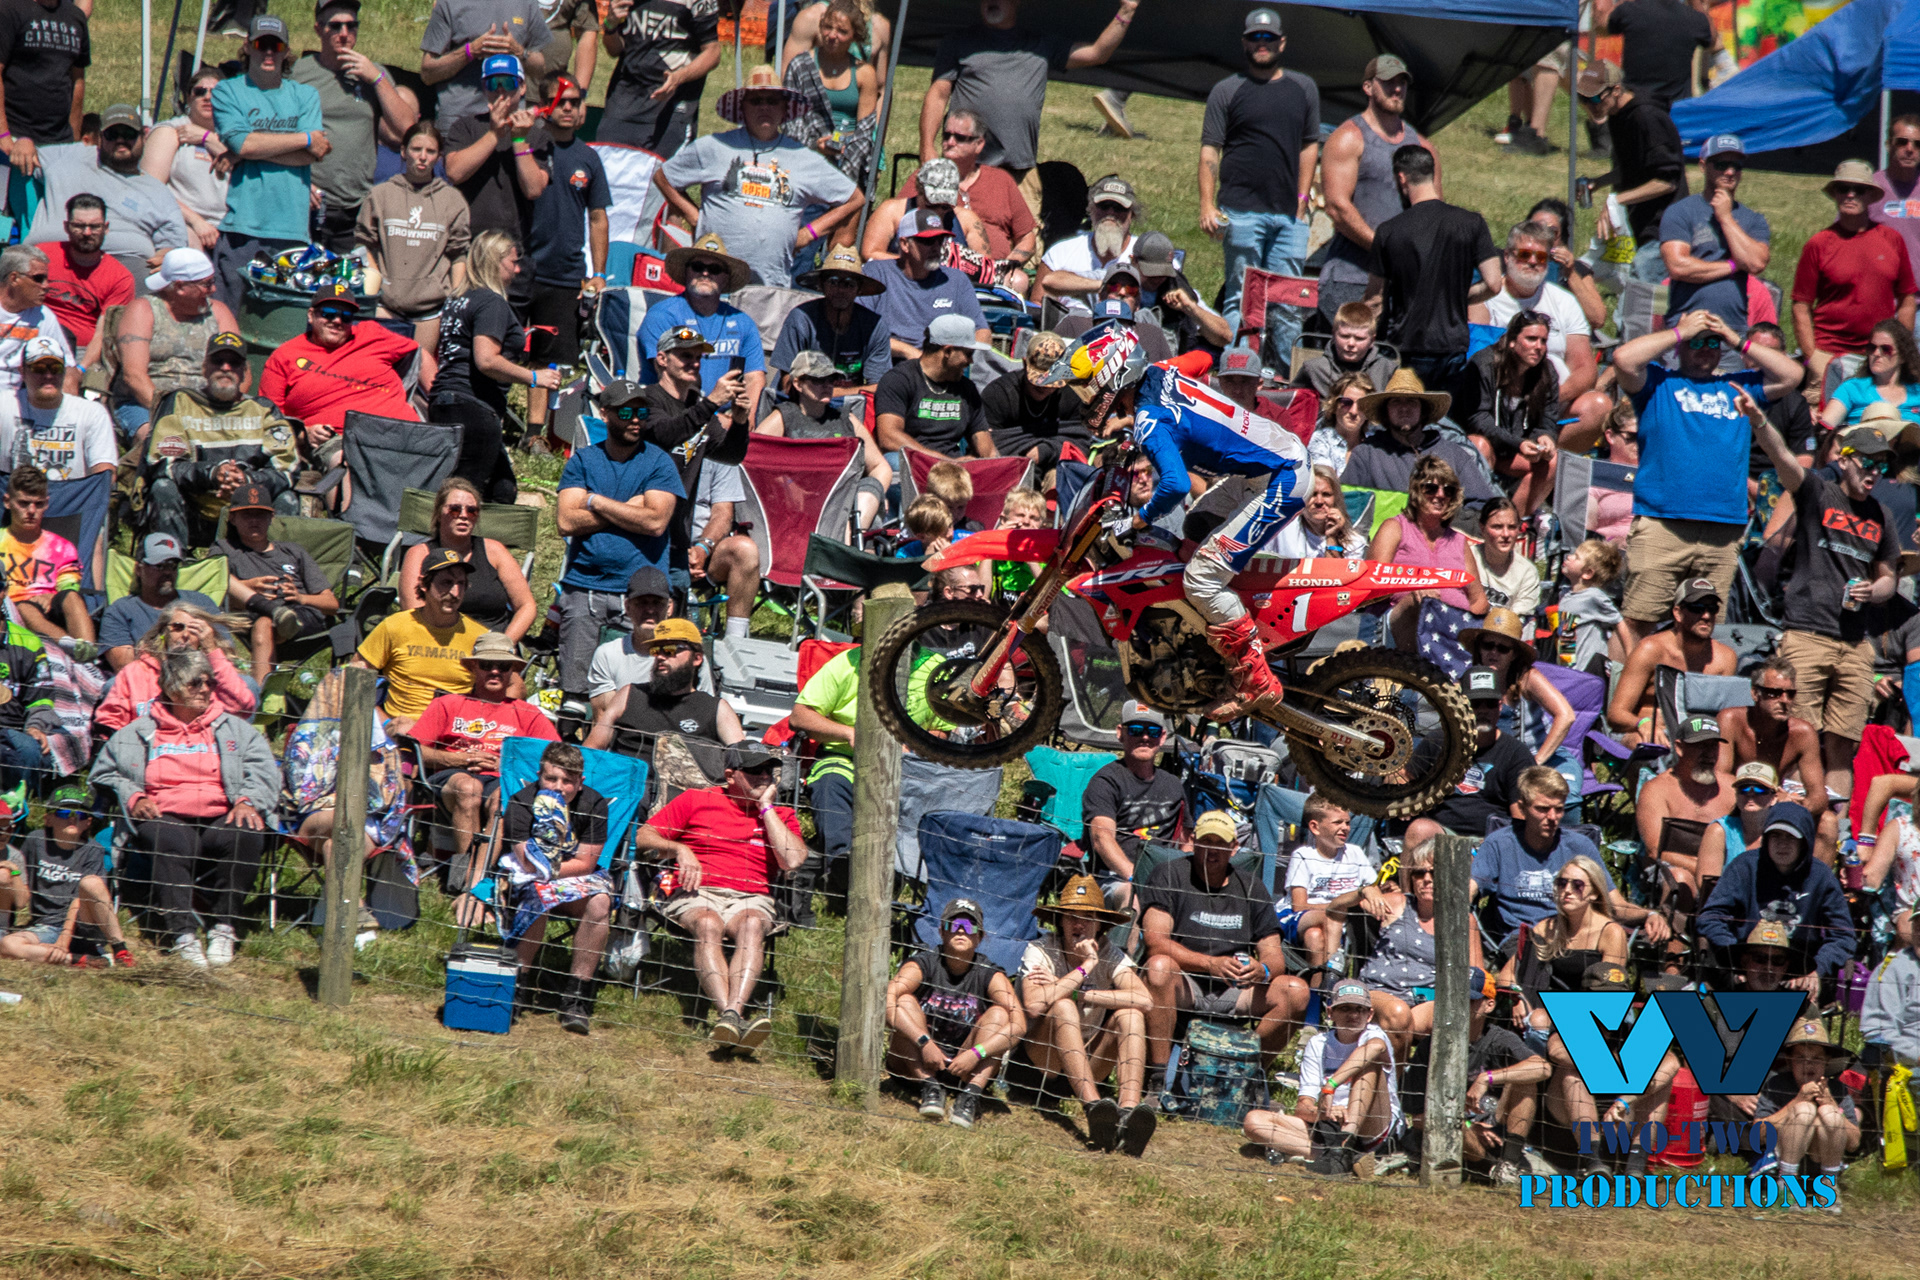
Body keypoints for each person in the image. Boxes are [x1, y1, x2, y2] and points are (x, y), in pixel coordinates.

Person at [1610, 309, 1803, 651]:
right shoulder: (1657, 383)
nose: (1705, 349)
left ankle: (1693, 687)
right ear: (1681, 347)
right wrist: (1679, 332)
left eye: (1712, 343)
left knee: (1706, 627)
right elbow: (1623, 359)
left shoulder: (1739, 386)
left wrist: (1735, 338)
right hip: (1662, 524)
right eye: (1696, 342)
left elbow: (1792, 374)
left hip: (1722, 532)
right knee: (1639, 622)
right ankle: (1620, 687)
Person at [90, 648, 280, 968]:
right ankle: (184, 935)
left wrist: (248, 800)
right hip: (164, 815)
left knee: (245, 833)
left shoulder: (235, 729)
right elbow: (103, 773)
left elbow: (265, 772)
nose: (205, 689)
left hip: (222, 814)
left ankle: (224, 927)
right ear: (172, 688)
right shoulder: (139, 731)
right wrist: (134, 796)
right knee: (170, 839)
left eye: (209, 682)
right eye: (195, 683)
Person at [1747, 407, 1899, 806]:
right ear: (1844, 460)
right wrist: (1759, 421)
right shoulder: (1818, 492)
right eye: (1867, 462)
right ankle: (1792, 816)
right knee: (1800, 733)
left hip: (1854, 643)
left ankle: (1835, 826)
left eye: (1881, 466)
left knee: (1842, 744)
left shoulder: (1881, 515)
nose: (1873, 472)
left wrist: (1874, 590)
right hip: (1807, 634)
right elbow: (1782, 457)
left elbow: (1888, 578)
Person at [639, 743, 808, 1049]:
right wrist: (680, 848)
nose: (764, 776)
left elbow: (793, 860)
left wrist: (766, 809)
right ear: (731, 775)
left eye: (769, 770)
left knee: (752, 925)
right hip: (697, 891)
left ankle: (731, 1016)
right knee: (708, 924)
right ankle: (730, 1017)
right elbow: (643, 836)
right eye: (754, 770)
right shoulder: (696, 799)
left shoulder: (781, 815)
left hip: (751, 897)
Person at [654, 64, 863, 289]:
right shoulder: (713, 147)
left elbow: (854, 198)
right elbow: (664, 177)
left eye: (772, 101)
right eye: (756, 101)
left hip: (770, 284)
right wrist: (694, 216)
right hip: (712, 276)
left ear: (784, 108)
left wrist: (808, 234)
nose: (764, 107)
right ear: (742, 107)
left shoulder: (804, 158)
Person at [1138, 810, 1309, 1085]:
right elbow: (1155, 941)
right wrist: (1210, 964)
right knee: (1158, 967)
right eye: (1206, 841)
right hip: (1185, 983)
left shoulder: (1251, 887)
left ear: (1234, 847)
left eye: (1220, 843)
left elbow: (1273, 954)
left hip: (1235, 987)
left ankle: (1246, 1074)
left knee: (1296, 992)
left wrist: (1262, 970)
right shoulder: (1169, 874)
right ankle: (1158, 1078)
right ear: (1194, 841)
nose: (1212, 850)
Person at [917, 0, 1136, 213]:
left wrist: (1127, 10)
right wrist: (927, 146)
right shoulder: (959, 43)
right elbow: (938, 95)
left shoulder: (1041, 45)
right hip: (964, 168)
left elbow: (1097, 53)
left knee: (1024, 236)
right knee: (955, 231)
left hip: (1020, 174)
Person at [553, 374, 685, 706]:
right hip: (585, 586)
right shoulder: (584, 460)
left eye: (642, 413)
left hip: (644, 593)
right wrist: (629, 508)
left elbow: (655, 522)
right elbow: (566, 521)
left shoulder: (659, 462)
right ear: (605, 414)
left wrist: (596, 501)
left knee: (643, 694)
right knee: (574, 696)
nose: (635, 420)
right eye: (626, 413)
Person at [1198, 7, 1319, 366]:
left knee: (1288, 302)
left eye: (1268, 37)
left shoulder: (1304, 88)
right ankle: (1237, 370)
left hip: (1289, 217)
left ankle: (1287, 377)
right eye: (1255, 37)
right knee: (1240, 298)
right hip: (1240, 212)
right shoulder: (1227, 90)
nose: (1261, 43)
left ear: (1282, 42)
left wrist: (1302, 199)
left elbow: (1310, 145)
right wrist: (1206, 204)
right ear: (1245, 43)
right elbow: (1210, 149)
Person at [410, 632, 557, 916]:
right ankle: (467, 881)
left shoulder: (528, 713)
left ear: (512, 672)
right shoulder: (448, 704)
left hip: (502, 779)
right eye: (487, 664)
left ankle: (474, 886)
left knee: (504, 799)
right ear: (473, 667)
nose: (495, 671)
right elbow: (416, 749)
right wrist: (459, 759)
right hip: (452, 775)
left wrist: (506, 765)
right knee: (468, 788)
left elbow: (555, 758)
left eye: (503, 666)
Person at [1019, 874, 1155, 1155]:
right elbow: (1033, 1005)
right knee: (1063, 1007)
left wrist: (1078, 993)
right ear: (1060, 921)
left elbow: (1144, 1000)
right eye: (1071, 917)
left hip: (1089, 1060)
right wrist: (1086, 967)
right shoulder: (1040, 949)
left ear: (1100, 924)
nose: (1078, 924)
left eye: (1088, 917)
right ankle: (1093, 1108)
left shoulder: (1109, 952)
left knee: (1131, 1015)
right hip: (1044, 1064)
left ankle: (1128, 1115)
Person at [1469, 764, 1664, 957]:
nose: (1552, 817)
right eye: (1543, 809)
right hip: (1522, 939)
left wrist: (1650, 914)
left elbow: (1615, 905)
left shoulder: (1579, 846)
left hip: (1572, 937)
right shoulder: (1499, 844)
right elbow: (1470, 890)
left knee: (1613, 939)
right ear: (1522, 808)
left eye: (1559, 809)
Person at [628, 330, 758, 619]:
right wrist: (711, 402)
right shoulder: (646, 399)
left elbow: (730, 455)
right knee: (640, 619)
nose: (695, 363)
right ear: (662, 359)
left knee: (673, 627)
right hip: (640, 533)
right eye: (685, 356)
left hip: (678, 537)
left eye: (698, 357)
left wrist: (739, 421)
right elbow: (664, 434)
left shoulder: (696, 407)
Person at [137, 331, 301, 547]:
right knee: (162, 487)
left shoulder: (265, 410)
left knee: (287, 498)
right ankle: (169, 562)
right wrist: (213, 474)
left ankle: (274, 563)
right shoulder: (180, 403)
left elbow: (287, 470)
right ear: (204, 368)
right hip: (193, 513)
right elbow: (163, 465)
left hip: (249, 511)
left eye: (234, 363)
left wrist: (247, 481)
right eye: (218, 361)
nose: (225, 368)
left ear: (245, 371)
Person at [491, 742, 612, 1034]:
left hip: (571, 876)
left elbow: (586, 863)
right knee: (539, 896)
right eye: (551, 778)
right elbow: (526, 861)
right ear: (539, 776)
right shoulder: (522, 802)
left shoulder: (593, 803)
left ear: (580, 782)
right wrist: (546, 872)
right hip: (529, 878)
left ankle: (576, 997)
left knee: (600, 902)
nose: (558, 787)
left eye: (568, 781)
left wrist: (549, 870)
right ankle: (517, 987)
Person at [209, 16, 327, 314]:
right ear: (248, 46)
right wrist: (302, 138)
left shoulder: (305, 95)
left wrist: (246, 151)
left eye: (277, 46)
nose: (269, 52)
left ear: (287, 51)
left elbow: (314, 153)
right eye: (262, 44)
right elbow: (244, 144)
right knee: (230, 319)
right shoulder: (227, 91)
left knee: (282, 326)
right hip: (244, 229)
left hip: (294, 232)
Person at [1362, 144, 1501, 395]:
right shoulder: (1472, 222)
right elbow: (1493, 283)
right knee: (1445, 415)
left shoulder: (1389, 230)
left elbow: (1375, 299)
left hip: (1406, 346)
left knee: (1407, 414)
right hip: (1453, 346)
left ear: (1401, 178)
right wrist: (1459, 297)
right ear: (1432, 174)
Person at [433, 230, 558, 503]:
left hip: (444, 402)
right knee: (466, 493)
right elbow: (487, 360)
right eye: (513, 262)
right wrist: (534, 377)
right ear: (494, 261)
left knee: (502, 489)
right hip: (473, 407)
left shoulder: (456, 300)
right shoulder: (492, 303)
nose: (518, 269)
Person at [292, 0, 420, 252]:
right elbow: (279, 131)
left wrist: (377, 79)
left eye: (351, 26)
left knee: (352, 277)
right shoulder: (299, 73)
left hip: (358, 205)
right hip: (310, 200)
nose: (344, 33)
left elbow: (407, 128)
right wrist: (298, 182)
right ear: (318, 29)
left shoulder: (374, 73)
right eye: (335, 26)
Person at [886, 896, 1023, 1128]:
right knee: (904, 1000)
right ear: (942, 931)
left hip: (965, 1066)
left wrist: (976, 1054)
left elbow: (1019, 1024)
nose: (961, 931)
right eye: (954, 924)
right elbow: (887, 998)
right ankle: (929, 1086)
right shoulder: (924, 963)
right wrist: (924, 1042)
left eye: (969, 926)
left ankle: (970, 1095)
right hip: (916, 1062)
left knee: (1001, 1015)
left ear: (979, 937)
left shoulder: (989, 973)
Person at [1241, 980, 1399, 1176]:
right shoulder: (1318, 1043)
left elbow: (1375, 1047)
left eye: (1360, 1009)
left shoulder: (1374, 1035)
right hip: (1329, 1125)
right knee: (1254, 1121)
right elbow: (1302, 1107)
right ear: (1330, 1013)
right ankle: (1341, 1157)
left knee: (1368, 1063)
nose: (1353, 1015)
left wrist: (1330, 1086)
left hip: (1372, 1124)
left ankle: (1344, 1146)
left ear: (1370, 1015)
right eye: (1345, 1009)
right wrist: (1325, 1113)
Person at [1318, 54, 1432, 324]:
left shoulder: (1422, 146)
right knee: (1346, 351)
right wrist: (1386, 249)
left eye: (1402, 83)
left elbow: (1432, 211)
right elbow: (1337, 208)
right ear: (1368, 87)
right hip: (1351, 278)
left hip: (1404, 283)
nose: (1397, 89)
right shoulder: (1348, 138)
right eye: (1388, 82)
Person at [1697, 802, 1854, 991]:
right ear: (1766, 838)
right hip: (1748, 958)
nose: (1782, 844)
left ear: (1804, 841)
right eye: (1775, 836)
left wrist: (1816, 969)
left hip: (1798, 964)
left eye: (1790, 837)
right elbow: (1710, 918)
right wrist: (1736, 958)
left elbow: (1843, 935)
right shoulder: (1744, 867)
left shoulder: (1822, 877)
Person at [28, 107, 190, 288]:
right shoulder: (68, 156)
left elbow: (174, 239)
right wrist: (23, 142)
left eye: (128, 134)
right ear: (100, 138)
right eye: (112, 135)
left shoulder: (157, 190)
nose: (120, 140)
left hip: (126, 261)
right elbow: (22, 153)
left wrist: (168, 252)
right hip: (55, 251)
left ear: (144, 136)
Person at [1791, 162, 1917, 393]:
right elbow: (1801, 306)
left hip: (1879, 356)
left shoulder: (1892, 240)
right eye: (1843, 188)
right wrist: (1812, 357)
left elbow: (1907, 298)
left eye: (1858, 190)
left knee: (1880, 414)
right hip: (1829, 354)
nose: (1850, 195)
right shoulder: (1819, 244)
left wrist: (1898, 346)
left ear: (1870, 196)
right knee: (1822, 415)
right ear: (1835, 194)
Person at [524, 76, 608, 420]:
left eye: (575, 101)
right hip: (520, 267)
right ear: (544, 106)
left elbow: (598, 218)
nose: (569, 108)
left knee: (548, 361)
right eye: (561, 101)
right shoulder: (526, 147)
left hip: (564, 273)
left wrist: (599, 273)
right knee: (502, 348)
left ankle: (536, 432)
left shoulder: (588, 158)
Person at [258, 282, 420, 460]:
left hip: (403, 430)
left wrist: (434, 398)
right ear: (311, 315)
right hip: (340, 440)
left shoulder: (371, 334)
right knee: (350, 463)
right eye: (329, 313)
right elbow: (269, 423)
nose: (337, 321)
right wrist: (305, 433)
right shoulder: (284, 356)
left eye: (346, 316)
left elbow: (419, 352)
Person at [1476, 219, 1604, 444]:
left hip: (1554, 406)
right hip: (1501, 407)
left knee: (1598, 407)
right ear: (1507, 256)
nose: (1533, 262)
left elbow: (1584, 369)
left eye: (1541, 257)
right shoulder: (1487, 298)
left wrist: (1549, 399)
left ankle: (1548, 454)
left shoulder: (1564, 301)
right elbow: (1479, 361)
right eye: (1525, 255)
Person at [356, 120, 470, 365]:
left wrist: (455, 300)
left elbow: (459, 253)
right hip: (386, 305)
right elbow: (363, 245)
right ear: (403, 151)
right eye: (416, 149)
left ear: (439, 157)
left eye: (430, 151)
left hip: (430, 310)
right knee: (378, 369)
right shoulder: (381, 194)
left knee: (419, 371)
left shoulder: (452, 200)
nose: (422, 157)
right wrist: (376, 283)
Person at [1356, 839, 1485, 1054]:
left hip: (1424, 1001)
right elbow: (1338, 908)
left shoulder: (1463, 920)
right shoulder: (1397, 903)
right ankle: (1395, 1074)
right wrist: (1366, 891)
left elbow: (1477, 976)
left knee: (1450, 1013)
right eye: (1418, 873)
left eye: (1434, 873)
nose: (1426, 879)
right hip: (1378, 994)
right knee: (1398, 1014)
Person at [442, 55, 548, 308]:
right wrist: (494, 134)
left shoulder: (537, 136)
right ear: (484, 88)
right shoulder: (466, 127)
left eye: (508, 83)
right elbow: (454, 172)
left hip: (512, 253)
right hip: (469, 249)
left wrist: (519, 139)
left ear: (522, 87)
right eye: (493, 83)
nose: (500, 91)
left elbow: (534, 189)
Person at [103, 247, 235, 441]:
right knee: (162, 440)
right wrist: (177, 417)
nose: (213, 290)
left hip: (208, 405)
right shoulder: (143, 310)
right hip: (145, 404)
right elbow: (134, 376)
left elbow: (241, 371)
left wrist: (218, 408)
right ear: (180, 287)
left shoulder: (219, 313)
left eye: (212, 281)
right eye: (206, 284)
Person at [213, 483, 341, 682]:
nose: (254, 520)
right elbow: (213, 590)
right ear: (232, 518)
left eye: (260, 515)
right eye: (247, 515)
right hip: (251, 614)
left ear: (271, 517)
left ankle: (262, 694)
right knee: (265, 622)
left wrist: (300, 597)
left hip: (302, 616)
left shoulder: (292, 551)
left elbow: (332, 604)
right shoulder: (224, 550)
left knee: (267, 623)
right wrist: (249, 586)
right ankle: (278, 620)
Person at [353, 547, 488, 735]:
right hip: (400, 732)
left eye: (461, 584)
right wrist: (385, 723)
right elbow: (353, 677)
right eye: (446, 583)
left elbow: (514, 686)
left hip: (454, 733)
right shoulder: (395, 626)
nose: (455, 592)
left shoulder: (479, 636)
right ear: (424, 584)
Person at [0, 784, 137, 969]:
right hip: (46, 926)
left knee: (92, 883)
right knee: (8, 945)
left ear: (88, 822)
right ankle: (80, 960)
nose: (73, 818)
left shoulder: (93, 849)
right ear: (48, 819)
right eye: (64, 813)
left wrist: (64, 940)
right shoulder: (35, 841)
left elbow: (78, 900)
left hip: (83, 922)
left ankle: (120, 950)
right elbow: (23, 891)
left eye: (80, 814)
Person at [1575, 62, 1687, 284]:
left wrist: (1616, 201)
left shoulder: (1647, 117)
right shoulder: (1617, 115)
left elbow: (1667, 181)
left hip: (1665, 228)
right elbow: (1633, 168)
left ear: (1616, 90)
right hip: (1643, 225)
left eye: (1595, 98)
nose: (1590, 105)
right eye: (1583, 99)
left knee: (1644, 293)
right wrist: (1598, 182)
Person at [902, 108, 1037, 290]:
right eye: (946, 136)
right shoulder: (924, 178)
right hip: (936, 265)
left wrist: (1008, 264)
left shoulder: (1001, 181)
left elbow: (1027, 237)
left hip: (991, 271)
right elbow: (902, 218)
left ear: (979, 144)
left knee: (1018, 280)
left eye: (960, 138)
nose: (950, 142)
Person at [756, 349, 890, 529]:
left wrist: (875, 492)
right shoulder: (784, 417)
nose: (827, 385)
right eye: (818, 380)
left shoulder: (846, 419)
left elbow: (880, 466)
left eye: (831, 380)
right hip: (799, 504)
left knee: (871, 494)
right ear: (798, 383)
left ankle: (846, 541)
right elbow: (753, 461)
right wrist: (786, 484)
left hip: (843, 503)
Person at [1366, 455, 1490, 650]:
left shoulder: (1458, 541)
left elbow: (1478, 600)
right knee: (1420, 600)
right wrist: (1415, 590)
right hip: (1398, 626)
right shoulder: (1395, 528)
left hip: (1451, 634)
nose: (1440, 495)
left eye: (1448, 490)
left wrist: (1462, 625)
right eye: (1431, 488)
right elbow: (1371, 586)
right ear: (1416, 491)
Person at [1403, 668, 1536, 849]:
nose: (1483, 711)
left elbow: (1521, 818)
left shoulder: (1516, 754)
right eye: (1476, 704)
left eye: (1490, 704)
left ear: (1499, 706)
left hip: (1491, 842)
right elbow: (1403, 778)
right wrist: (1404, 794)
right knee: (1418, 829)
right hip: (1439, 837)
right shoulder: (1438, 741)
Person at [396, 477, 537, 644]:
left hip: (492, 647)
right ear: (439, 514)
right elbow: (414, 613)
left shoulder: (494, 551)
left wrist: (503, 644)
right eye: (455, 509)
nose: (463, 515)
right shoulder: (419, 554)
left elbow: (527, 606)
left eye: (472, 511)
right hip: (437, 645)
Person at [1607, 579, 1740, 747]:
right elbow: (1616, 714)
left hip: (1699, 739)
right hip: (1650, 734)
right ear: (1677, 613)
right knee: (1645, 743)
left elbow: (1727, 716)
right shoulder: (1650, 650)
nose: (1706, 616)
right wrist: (1643, 723)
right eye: (1697, 608)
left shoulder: (1725, 658)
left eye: (1712, 609)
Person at [1659, 135, 1771, 333]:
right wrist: (1734, 265)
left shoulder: (1753, 220)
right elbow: (1678, 266)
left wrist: (1726, 218)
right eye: (1721, 164)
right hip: (1686, 326)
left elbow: (1756, 263)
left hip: (1733, 329)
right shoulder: (1681, 212)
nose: (1730, 172)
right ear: (1703, 166)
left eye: (1736, 166)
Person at [1081, 701, 1185, 913]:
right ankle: (1128, 937)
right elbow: (1102, 839)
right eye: (1136, 730)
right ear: (1121, 733)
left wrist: (1180, 879)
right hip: (1115, 878)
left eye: (1152, 731)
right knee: (1134, 898)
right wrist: (1137, 878)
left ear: (1162, 737)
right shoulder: (1105, 781)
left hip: (1165, 879)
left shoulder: (1173, 784)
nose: (1145, 737)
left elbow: (1187, 840)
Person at [586, 615, 742, 755]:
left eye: (669, 650)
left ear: (697, 658)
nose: (660, 657)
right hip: (627, 776)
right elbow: (591, 749)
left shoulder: (715, 709)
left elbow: (742, 758)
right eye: (656, 650)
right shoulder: (629, 695)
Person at [1717, 658, 1832, 847]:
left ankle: (1812, 869)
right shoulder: (1731, 720)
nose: (1784, 701)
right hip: (1739, 800)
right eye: (1774, 693)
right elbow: (1721, 777)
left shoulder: (1802, 733)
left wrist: (1794, 806)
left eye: (1790, 694)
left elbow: (1819, 796)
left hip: (1774, 806)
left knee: (1828, 822)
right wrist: (1762, 797)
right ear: (1756, 693)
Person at [639, 234, 767, 403]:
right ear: (686, 272)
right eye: (697, 267)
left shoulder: (743, 322)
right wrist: (710, 412)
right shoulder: (663, 316)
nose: (705, 273)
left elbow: (754, 378)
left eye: (715, 269)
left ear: (726, 278)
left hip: (729, 412)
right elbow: (668, 378)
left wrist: (744, 417)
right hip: (673, 410)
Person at [1455, 310, 1560, 515]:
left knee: (1552, 461)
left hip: (1515, 452)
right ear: (1512, 341)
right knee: (1479, 445)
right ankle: (1477, 518)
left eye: (1543, 341)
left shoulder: (1546, 372)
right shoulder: (1484, 365)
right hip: (1484, 445)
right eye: (1531, 339)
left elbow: (1547, 420)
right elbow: (1478, 419)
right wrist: (1518, 443)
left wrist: (1545, 437)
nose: (1539, 347)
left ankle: (1515, 522)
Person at [95, 600, 256, 733]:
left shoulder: (214, 675)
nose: (185, 635)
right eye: (177, 627)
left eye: (194, 630)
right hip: (145, 752)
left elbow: (242, 707)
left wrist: (211, 649)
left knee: (248, 683)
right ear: (163, 633)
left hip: (203, 751)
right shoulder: (136, 672)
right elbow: (110, 721)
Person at [1343, 370, 1499, 505]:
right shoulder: (1366, 455)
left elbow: (1481, 504)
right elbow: (1349, 504)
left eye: (1411, 402)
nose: (1404, 408)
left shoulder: (1454, 454)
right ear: (1385, 411)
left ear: (1423, 410)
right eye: (1396, 402)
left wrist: (1448, 522)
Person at [1749, 1019, 1860, 1205]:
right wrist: (1797, 1102)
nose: (1808, 1065)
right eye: (1800, 1058)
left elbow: (1854, 1143)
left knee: (1829, 1114)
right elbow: (1757, 1136)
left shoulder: (1837, 1089)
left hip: (1822, 1159)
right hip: (1781, 1159)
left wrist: (1832, 1104)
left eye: (1816, 1059)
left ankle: (1827, 1186)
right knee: (1804, 1110)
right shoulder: (1776, 1085)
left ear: (1826, 1062)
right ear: (1790, 1061)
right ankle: (1787, 1186)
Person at [585, 567, 716, 717]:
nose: (650, 610)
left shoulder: (688, 657)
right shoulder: (608, 655)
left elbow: (705, 713)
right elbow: (604, 717)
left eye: (657, 603)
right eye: (641, 603)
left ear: (669, 607)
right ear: (627, 607)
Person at [860, 209, 991, 359]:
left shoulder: (956, 280)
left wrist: (962, 357)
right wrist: (909, 352)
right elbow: (859, 329)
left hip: (942, 364)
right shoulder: (876, 273)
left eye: (940, 240)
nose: (936, 247)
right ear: (905, 244)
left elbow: (982, 332)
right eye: (928, 241)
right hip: (890, 362)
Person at [1279, 793, 1375, 994]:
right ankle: (1334, 973)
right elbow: (1299, 905)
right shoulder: (1303, 856)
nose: (1345, 828)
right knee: (1333, 912)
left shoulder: (1354, 853)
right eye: (1337, 822)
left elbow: (1372, 889)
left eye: (1347, 822)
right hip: (1296, 918)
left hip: (1330, 927)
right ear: (1315, 827)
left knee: (1315, 936)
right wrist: (1340, 904)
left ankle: (1318, 998)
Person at [596, 0, 719, 155]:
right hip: (623, 103)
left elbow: (713, 52)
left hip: (671, 109)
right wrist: (610, 25)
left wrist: (679, 77)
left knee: (663, 171)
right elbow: (614, 50)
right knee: (609, 168)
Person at [781, 0, 878, 187]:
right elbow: (791, 122)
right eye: (827, 27)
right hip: (805, 158)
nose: (832, 35)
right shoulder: (801, 66)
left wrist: (846, 157)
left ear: (855, 36)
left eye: (842, 31)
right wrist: (815, 145)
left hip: (849, 159)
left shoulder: (864, 73)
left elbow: (865, 130)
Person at [871, 313, 993, 461]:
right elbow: (889, 437)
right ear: (948, 351)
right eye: (968, 354)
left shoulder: (967, 389)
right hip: (914, 462)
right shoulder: (899, 380)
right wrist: (945, 462)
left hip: (954, 467)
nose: (971, 361)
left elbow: (987, 448)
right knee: (894, 460)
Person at [97, 535, 225, 673]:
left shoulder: (201, 602)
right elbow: (124, 666)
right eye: (160, 566)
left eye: (173, 565)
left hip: (202, 678)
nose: (168, 572)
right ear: (139, 569)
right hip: (146, 680)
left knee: (243, 680)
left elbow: (225, 654)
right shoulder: (121, 610)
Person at [0, 0, 87, 201]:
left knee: (55, 214)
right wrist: (3, 135)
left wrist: (73, 142)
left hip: (58, 144)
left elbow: (78, 80)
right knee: (11, 215)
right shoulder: (8, 10)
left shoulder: (75, 17)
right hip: (14, 141)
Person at [772, 243, 890, 390]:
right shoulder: (801, 319)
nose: (841, 290)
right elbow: (788, 385)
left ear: (859, 289)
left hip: (850, 402)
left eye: (849, 284)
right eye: (833, 282)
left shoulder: (874, 326)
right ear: (821, 285)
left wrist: (832, 394)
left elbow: (879, 388)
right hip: (800, 401)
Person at [419, 0, 551, 131]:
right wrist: (469, 52)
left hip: (511, 123)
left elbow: (540, 69)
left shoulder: (526, 4)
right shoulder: (449, 4)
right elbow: (428, 74)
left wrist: (518, 51)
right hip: (460, 122)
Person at [140, 65, 231, 252]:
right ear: (189, 98)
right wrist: (196, 222)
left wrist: (207, 138)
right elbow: (150, 189)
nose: (208, 97)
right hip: (183, 225)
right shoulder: (171, 131)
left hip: (229, 227)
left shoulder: (234, 137)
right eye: (200, 92)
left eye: (216, 92)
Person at [0, 464, 89, 655]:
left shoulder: (62, 547)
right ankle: (69, 647)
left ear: (47, 504)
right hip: (9, 611)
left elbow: (70, 586)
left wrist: (52, 596)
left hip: (51, 610)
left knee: (72, 597)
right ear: (7, 502)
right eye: (23, 503)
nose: (31, 510)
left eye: (38, 504)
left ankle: (88, 653)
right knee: (23, 606)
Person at [0, 333, 113, 480]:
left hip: (70, 493)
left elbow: (105, 473)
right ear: (23, 371)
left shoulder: (92, 413)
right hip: (14, 492)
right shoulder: (4, 406)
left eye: (55, 368)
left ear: (65, 371)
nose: (48, 376)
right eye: (39, 369)